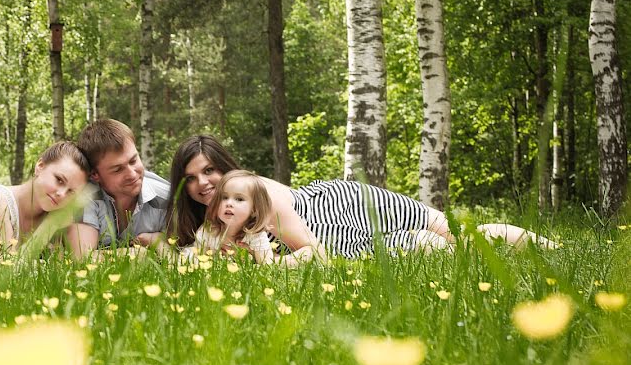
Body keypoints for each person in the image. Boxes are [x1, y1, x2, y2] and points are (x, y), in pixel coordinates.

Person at [166, 135, 557, 261]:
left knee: (452, 231)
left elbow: (311, 250)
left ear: (226, 168)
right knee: (438, 249)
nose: (203, 184)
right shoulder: (214, 224)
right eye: (192, 178)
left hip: (340, 207)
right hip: (346, 239)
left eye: (209, 171)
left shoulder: (257, 193)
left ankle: (552, 247)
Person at [66, 119, 170, 258]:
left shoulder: (167, 197)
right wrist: (138, 255)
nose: (132, 174)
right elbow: (82, 258)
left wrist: (156, 241)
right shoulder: (85, 196)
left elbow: (182, 254)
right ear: (95, 174)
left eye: (133, 161)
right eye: (118, 169)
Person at [187, 170, 275, 263]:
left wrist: (249, 262)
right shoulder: (208, 231)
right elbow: (197, 261)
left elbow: (267, 266)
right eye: (224, 197)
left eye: (239, 199)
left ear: (254, 209)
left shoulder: (256, 236)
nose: (229, 203)